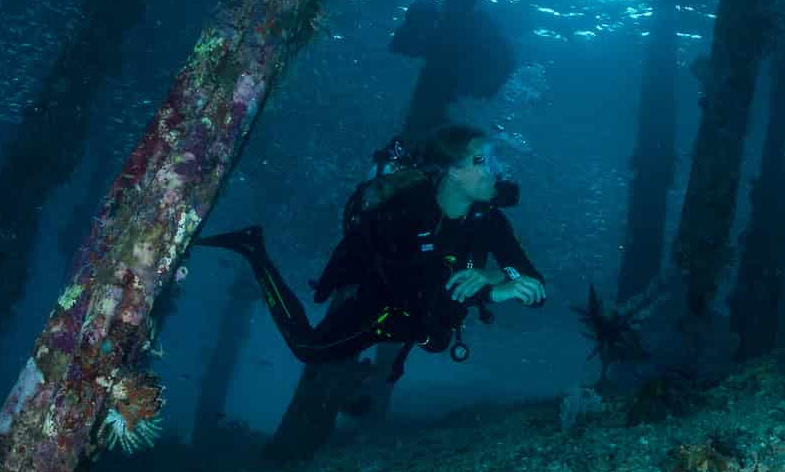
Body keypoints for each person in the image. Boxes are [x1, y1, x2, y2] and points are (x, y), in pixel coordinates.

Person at [195, 124, 547, 382]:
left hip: (431, 317)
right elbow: (412, 286)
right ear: (453, 170)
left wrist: (495, 276)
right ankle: (253, 250)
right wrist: (491, 288)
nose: (495, 171)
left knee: (437, 338)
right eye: (482, 160)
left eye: (493, 160)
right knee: (309, 349)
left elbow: (533, 284)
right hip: (384, 304)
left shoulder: (489, 219)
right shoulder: (404, 211)